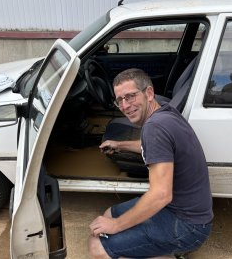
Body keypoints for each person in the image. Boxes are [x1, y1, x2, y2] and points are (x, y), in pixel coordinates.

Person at [88, 68, 213, 258]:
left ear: (149, 93)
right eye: (119, 100)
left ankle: (169, 251)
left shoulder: (155, 128)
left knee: (97, 246)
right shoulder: (163, 108)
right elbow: (155, 147)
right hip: (186, 214)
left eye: (130, 96)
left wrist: (116, 226)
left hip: (188, 227)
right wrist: (120, 144)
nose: (125, 105)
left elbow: (160, 195)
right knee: (108, 214)